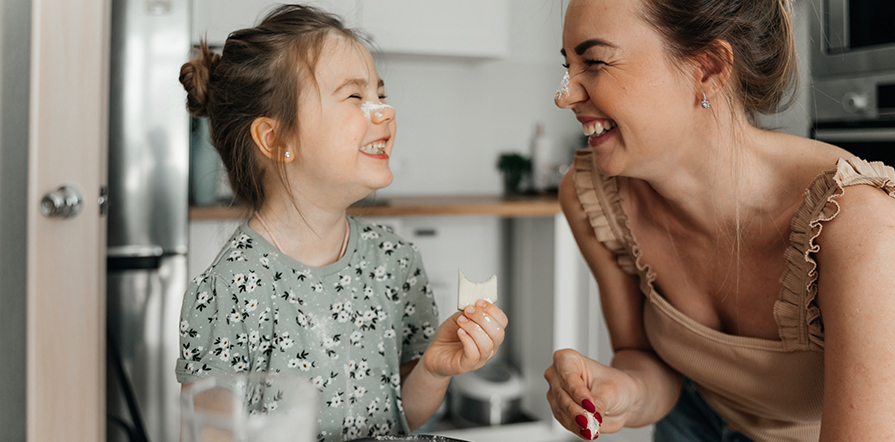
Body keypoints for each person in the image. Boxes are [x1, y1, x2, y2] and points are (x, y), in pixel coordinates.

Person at [545, 0, 895, 441]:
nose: (564, 95)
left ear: (708, 68)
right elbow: (641, 356)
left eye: (593, 62)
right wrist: (624, 391)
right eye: (569, 65)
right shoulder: (591, 197)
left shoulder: (858, 226)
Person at [175, 5, 507, 441]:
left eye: (381, 95)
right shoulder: (230, 289)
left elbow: (403, 417)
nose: (384, 112)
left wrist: (433, 369)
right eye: (355, 97)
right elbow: (210, 436)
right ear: (276, 140)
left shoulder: (395, 261)